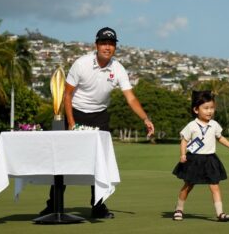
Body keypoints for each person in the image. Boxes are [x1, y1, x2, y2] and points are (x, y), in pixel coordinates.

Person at [40, 27, 155, 219]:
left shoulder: (118, 68)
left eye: (111, 44)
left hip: (100, 116)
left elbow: (131, 98)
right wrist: (71, 122)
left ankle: (98, 206)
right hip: (75, 113)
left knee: (99, 162)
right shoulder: (81, 64)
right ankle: (53, 204)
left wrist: (145, 118)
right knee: (64, 161)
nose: (107, 47)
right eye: (103, 43)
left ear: (115, 47)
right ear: (96, 45)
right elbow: (67, 95)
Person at [172, 90, 229, 222]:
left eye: (212, 108)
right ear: (196, 109)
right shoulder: (192, 125)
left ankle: (220, 213)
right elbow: (184, 140)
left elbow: (220, 138)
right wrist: (182, 154)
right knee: (188, 186)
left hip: (210, 159)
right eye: (205, 108)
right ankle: (178, 209)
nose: (209, 111)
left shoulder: (214, 124)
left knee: (215, 186)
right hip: (194, 159)